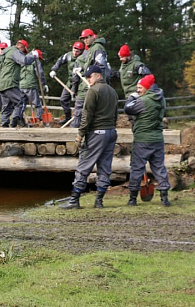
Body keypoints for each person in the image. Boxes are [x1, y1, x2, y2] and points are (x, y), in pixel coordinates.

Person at [60, 65, 118, 209]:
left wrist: (80, 134)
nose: (87, 79)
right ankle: (99, 201)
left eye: (90, 76)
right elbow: (115, 114)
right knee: (105, 167)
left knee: (84, 165)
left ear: (98, 76)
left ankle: (74, 200)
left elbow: (86, 115)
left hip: (96, 133)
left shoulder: (93, 91)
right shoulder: (113, 91)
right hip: (111, 132)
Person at [124, 74, 171, 207]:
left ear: (147, 87)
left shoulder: (144, 101)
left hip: (142, 140)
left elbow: (128, 108)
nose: (138, 90)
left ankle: (132, 199)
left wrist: (132, 97)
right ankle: (164, 198)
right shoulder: (161, 99)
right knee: (159, 168)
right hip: (157, 139)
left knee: (137, 168)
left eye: (140, 88)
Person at [69, 28, 108, 128]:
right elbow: (91, 65)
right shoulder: (91, 49)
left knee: (82, 111)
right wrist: (82, 68)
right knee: (81, 111)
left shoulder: (97, 48)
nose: (85, 40)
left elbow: (100, 67)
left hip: (91, 85)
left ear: (92, 37)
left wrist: (95, 84)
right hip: (87, 84)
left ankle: (75, 134)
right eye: (83, 38)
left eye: (87, 37)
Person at [0, 40, 40, 127]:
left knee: (7, 107)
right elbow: (24, 60)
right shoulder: (14, 51)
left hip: (2, 84)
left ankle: (3, 128)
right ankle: (15, 122)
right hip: (10, 83)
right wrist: (33, 56)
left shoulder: (6, 53)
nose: (23, 53)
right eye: (23, 51)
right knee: (21, 100)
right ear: (21, 47)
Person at [49, 41, 85, 124]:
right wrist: (54, 69)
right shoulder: (68, 55)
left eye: (77, 51)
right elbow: (60, 61)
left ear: (81, 51)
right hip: (70, 82)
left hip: (80, 83)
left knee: (79, 102)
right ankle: (68, 117)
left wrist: (82, 68)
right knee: (63, 99)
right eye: (74, 50)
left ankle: (79, 120)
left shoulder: (83, 58)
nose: (75, 53)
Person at [14, 49, 48, 125]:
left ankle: (18, 119)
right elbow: (40, 73)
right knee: (37, 104)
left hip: (21, 85)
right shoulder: (35, 60)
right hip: (30, 85)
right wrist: (43, 84)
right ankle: (41, 120)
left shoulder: (23, 58)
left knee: (21, 104)